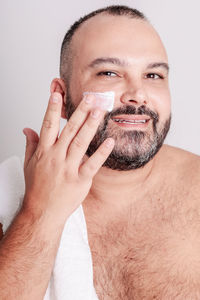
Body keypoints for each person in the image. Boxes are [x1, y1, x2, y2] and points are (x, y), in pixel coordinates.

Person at [0, 4, 200, 300]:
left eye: (154, 75)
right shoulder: (9, 193)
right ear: (62, 93)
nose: (137, 94)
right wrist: (39, 213)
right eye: (109, 72)